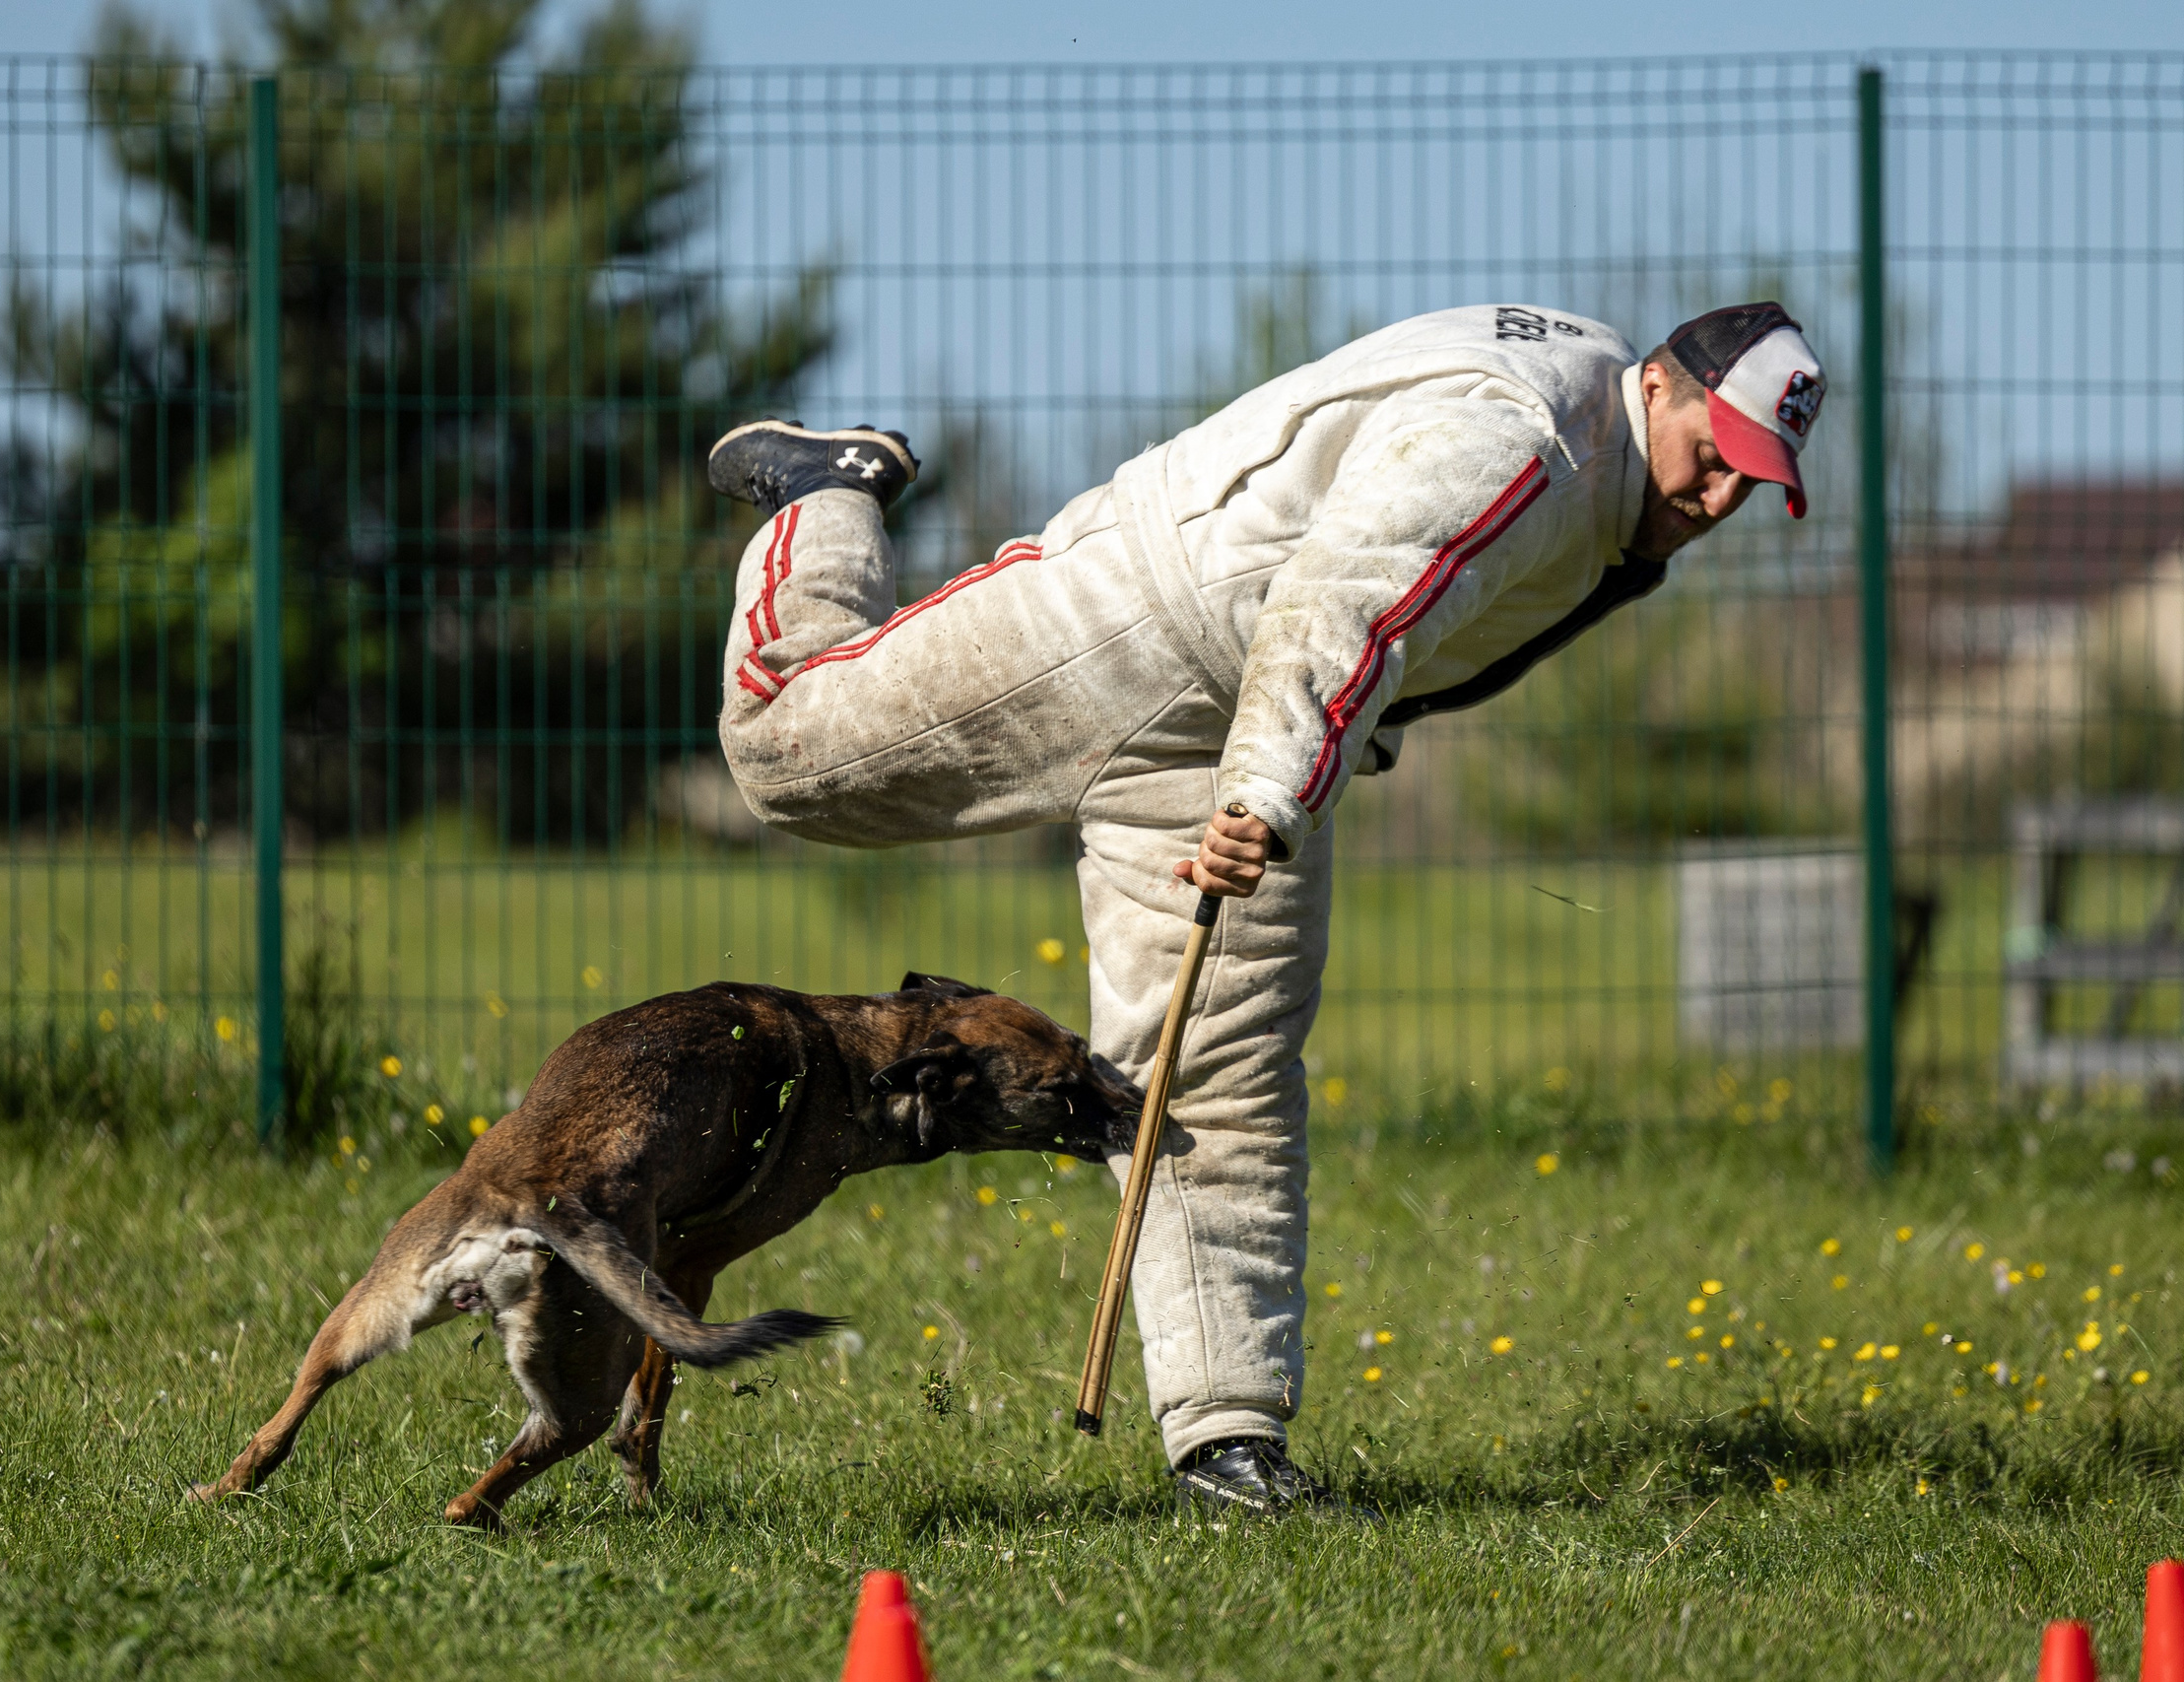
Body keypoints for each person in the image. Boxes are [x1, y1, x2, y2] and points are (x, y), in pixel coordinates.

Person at [706, 301, 1826, 1514]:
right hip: (1138, 617)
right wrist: (1271, 792)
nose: (1716, 499)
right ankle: (825, 494)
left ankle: (1225, 1444)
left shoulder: (1613, 500)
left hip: (1250, 725)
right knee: (785, 750)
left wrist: (1298, 760)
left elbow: (1440, 633)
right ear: (1656, 386)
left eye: (1750, 483)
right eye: (1711, 457)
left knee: (1215, 1077)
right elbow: (1344, 597)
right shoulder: (1523, 440)